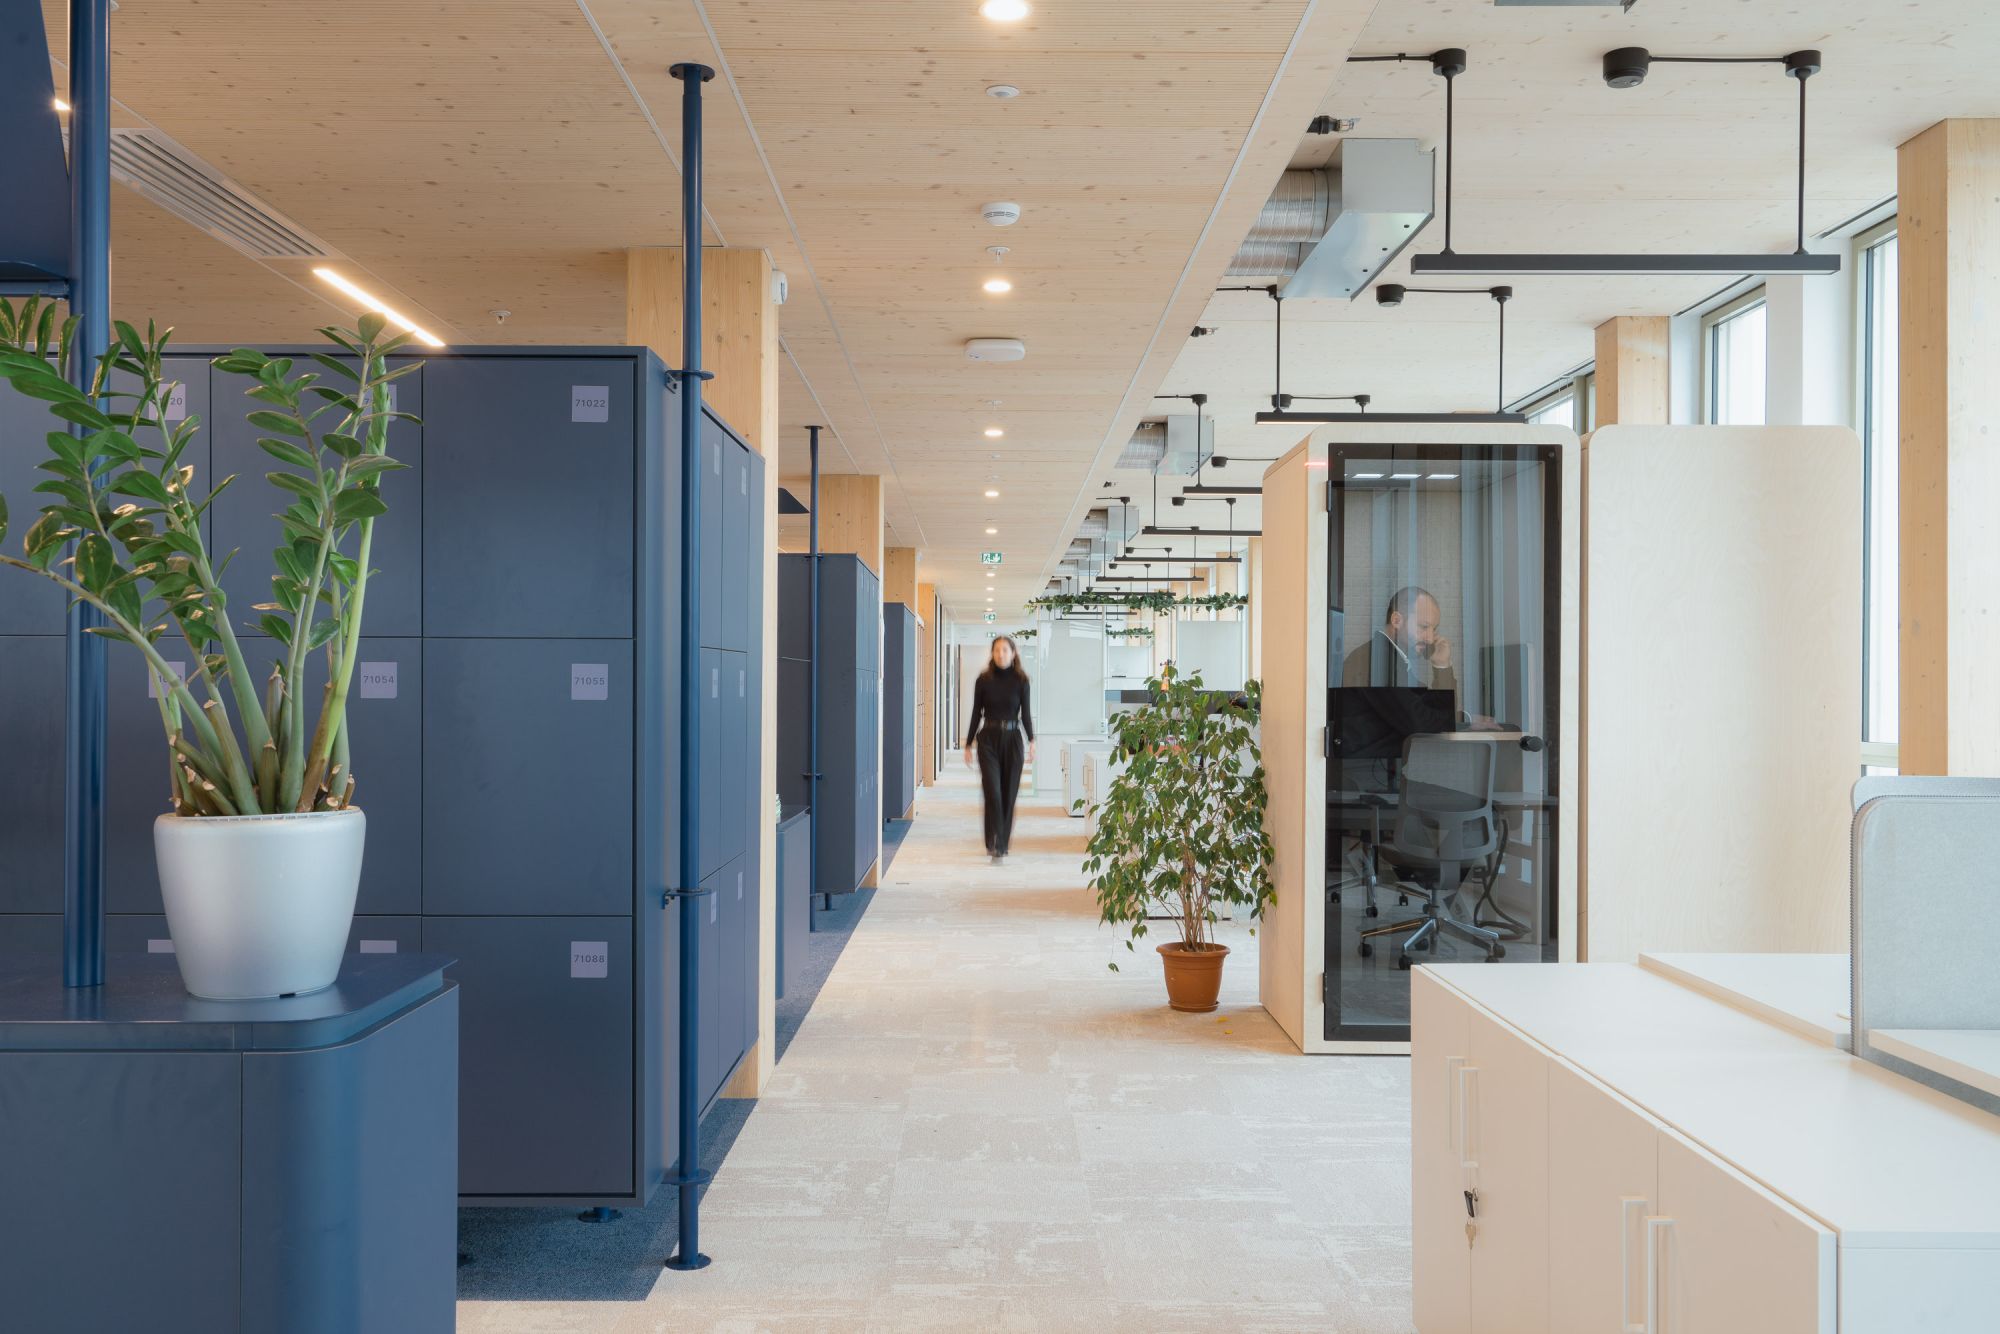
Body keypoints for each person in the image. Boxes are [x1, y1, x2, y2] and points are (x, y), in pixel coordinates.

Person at [963, 635, 1036, 863]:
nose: (1001, 654)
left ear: (1013, 653)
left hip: (1013, 741)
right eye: (997, 650)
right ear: (992, 653)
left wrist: (1032, 740)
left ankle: (1001, 843)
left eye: (1005, 650)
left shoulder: (1021, 680)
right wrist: (968, 743)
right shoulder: (983, 680)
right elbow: (976, 713)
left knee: (1008, 793)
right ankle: (993, 840)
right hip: (988, 740)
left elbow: (1025, 714)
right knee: (992, 791)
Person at [1341, 584, 1457, 693]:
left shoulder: (1384, 659)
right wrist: (1442, 668)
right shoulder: (1375, 664)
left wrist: (1441, 664)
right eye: (1424, 626)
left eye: (1434, 629)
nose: (1431, 639)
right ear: (1396, 621)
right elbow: (1432, 707)